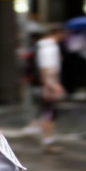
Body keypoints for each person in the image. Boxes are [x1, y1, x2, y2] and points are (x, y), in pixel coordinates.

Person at [35, 26, 65, 154]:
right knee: (49, 114)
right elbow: (46, 69)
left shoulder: (42, 47)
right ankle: (48, 143)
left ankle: (49, 141)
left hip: (47, 85)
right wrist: (52, 86)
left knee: (49, 114)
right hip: (49, 86)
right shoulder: (49, 48)